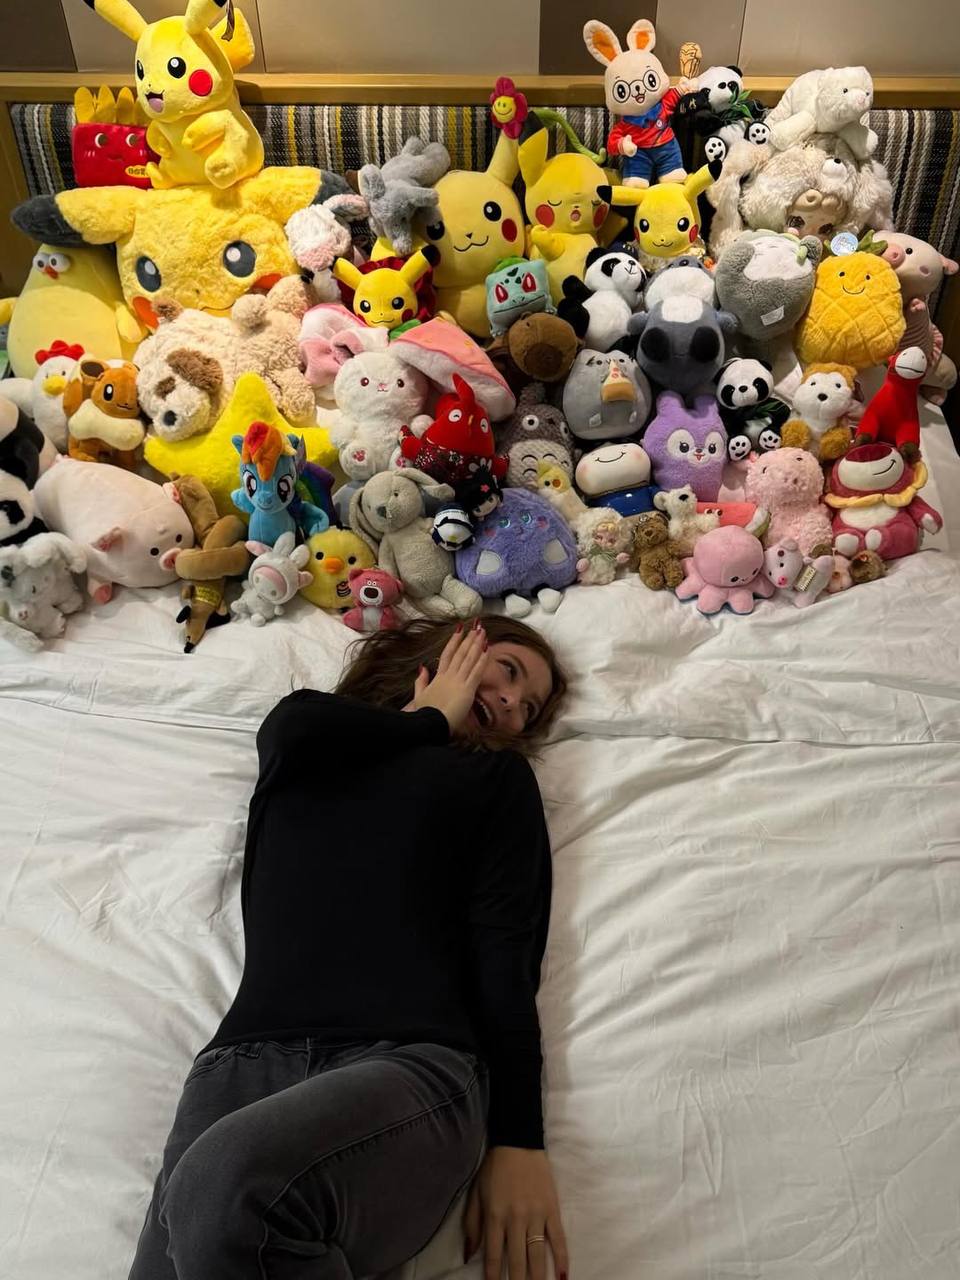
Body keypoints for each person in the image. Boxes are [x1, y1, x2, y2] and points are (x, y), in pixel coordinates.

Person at [129, 614, 570, 1280]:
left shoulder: (495, 781)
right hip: (240, 1067)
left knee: (226, 1186)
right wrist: (429, 720)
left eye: (527, 708)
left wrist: (518, 1140)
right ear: (451, 646)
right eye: (507, 670)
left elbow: (506, 963)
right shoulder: (315, 743)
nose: (511, 701)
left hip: (410, 1066)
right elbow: (291, 726)